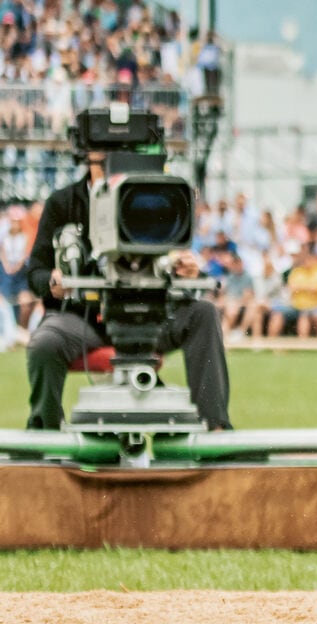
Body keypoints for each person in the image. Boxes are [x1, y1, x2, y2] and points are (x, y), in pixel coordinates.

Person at [23, 151, 233, 430]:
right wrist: (52, 281)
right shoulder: (64, 202)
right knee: (44, 344)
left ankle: (214, 426)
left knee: (204, 313)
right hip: (84, 318)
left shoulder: (159, 198)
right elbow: (35, 271)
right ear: (89, 155)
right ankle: (45, 430)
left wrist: (191, 271)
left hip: (154, 314)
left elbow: (176, 257)